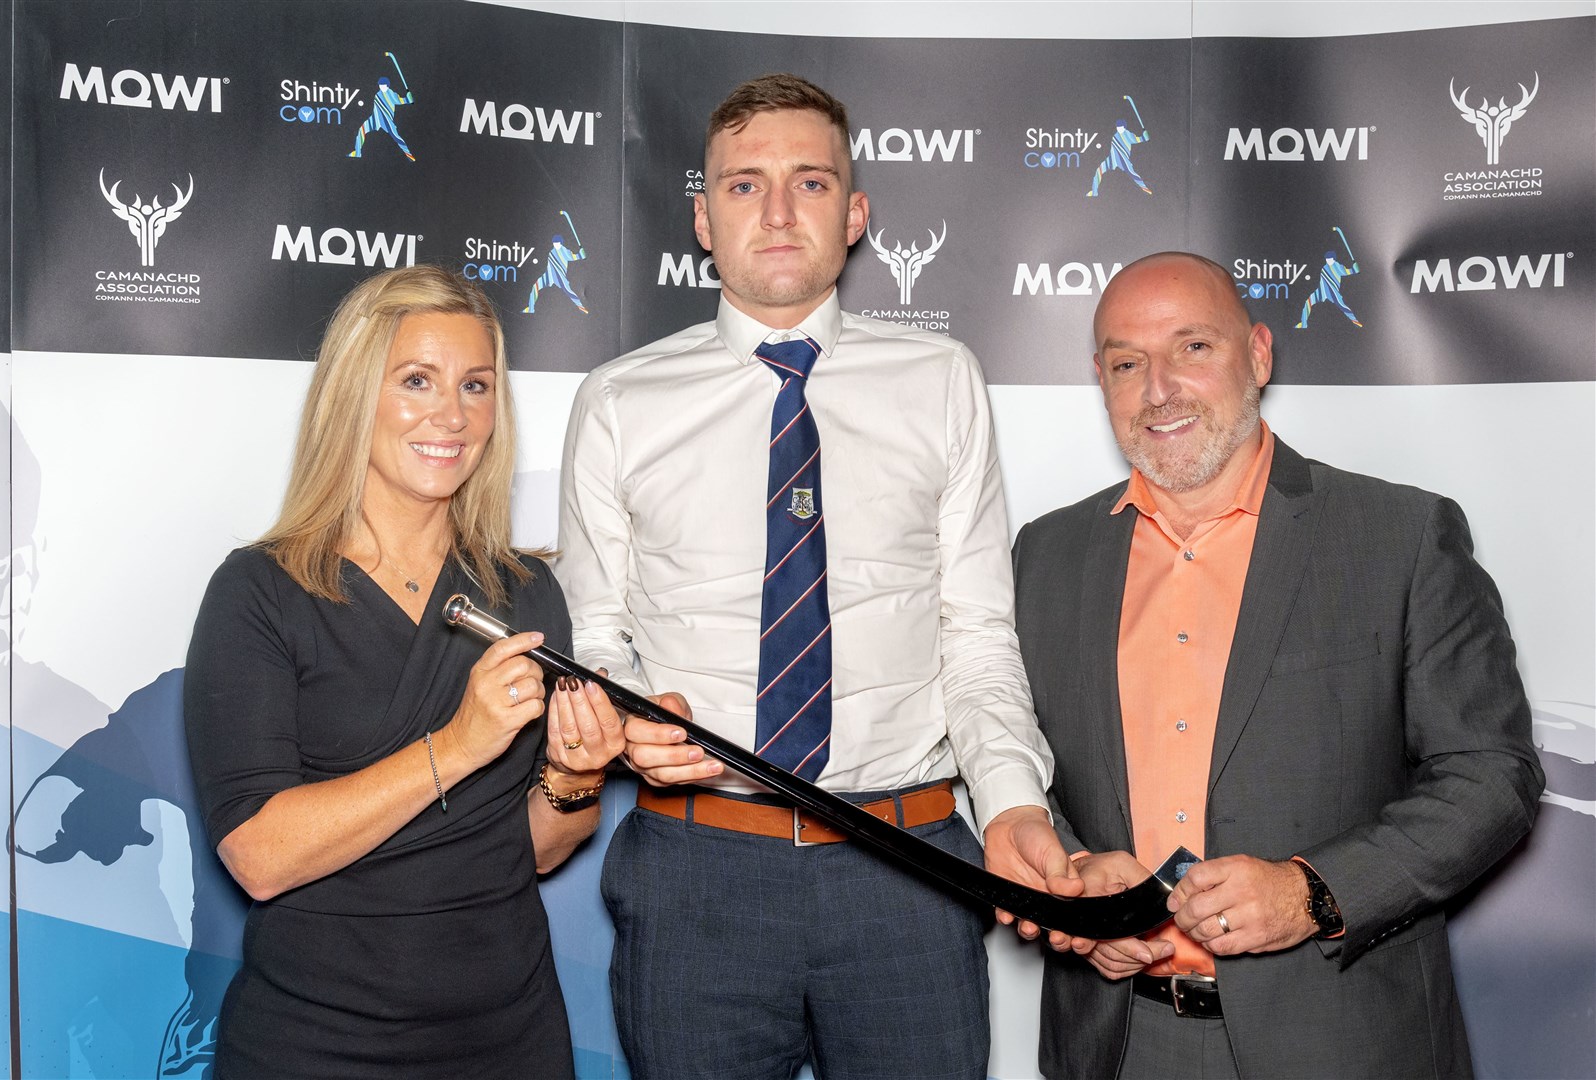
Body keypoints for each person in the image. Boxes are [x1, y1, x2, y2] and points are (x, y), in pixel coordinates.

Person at [554, 73, 1076, 1079]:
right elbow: (593, 637)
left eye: (811, 182)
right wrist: (621, 718)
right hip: (696, 874)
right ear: (702, 220)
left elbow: (976, 633)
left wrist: (1013, 803)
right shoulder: (620, 400)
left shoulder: (942, 381)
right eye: (745, 187)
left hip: (908, 868)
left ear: (857, 214)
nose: (780, 212)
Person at [1010, 251, 1544, 1078]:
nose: (1159, 389)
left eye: (1193, 348)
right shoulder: (1047, 554)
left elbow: (1490, 773)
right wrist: (1075, 881)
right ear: (1100, 379)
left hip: (1344, 1039)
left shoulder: (1398, 536)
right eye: (1127, 363)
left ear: (1258, 354)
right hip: (1118, 1041)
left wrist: (1313, 890)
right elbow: (1024, 767)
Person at [184, 265, 623, 1079]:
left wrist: (572, 775)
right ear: (355, 396)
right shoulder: (261, 592)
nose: (451, 414)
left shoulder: (526, 593)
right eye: (416, 381)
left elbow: (529, 850)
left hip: (508, 1040)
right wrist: (457, 745)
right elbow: (258, 855)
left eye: (476, 385)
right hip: (317, 1045)